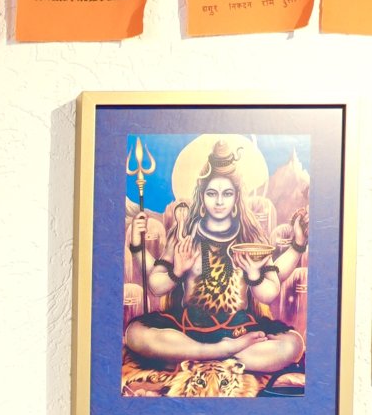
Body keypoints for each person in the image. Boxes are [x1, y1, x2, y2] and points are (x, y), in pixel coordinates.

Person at [124, 140, 306, 389]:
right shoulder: (185, 233)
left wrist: (255, 274)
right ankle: (222, 353)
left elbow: (270, 291)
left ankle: (195, 356)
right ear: (202, 196)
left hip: (239, 331)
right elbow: (156, 286)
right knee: (135, 334)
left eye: (227, 194)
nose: (219, 202)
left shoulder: (250, 236)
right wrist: (176, 270)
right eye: (212, 194)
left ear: (236, 198)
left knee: (293, 344)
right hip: (190, 329)